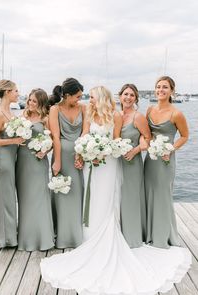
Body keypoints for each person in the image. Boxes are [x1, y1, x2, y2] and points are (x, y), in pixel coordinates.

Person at [40, 85, 191, 295]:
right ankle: (90, 235)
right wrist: (82, 152)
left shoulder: (116, 116)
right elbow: (84, 134)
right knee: (90, 198)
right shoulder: (88, 113)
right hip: (91, 163)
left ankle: (109, 232)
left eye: (92, 97)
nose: (89, 100)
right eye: (88, 97)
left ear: (101, 98)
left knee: (106, 197)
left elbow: (116, 140)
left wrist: (105, 151)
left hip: (108, 163)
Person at [144, 76, 189, 249]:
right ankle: (148, 232)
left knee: (162, 196)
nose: (160, 90)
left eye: (165, 87)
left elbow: (184, 136)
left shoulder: (176, 113)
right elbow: (146, 134)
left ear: (172, 91)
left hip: (165, 161)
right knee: (148, 193)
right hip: (150, 159)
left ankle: (162, 235)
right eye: (158, 87)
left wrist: (170, 149)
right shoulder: (149, 110)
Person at [16, 88, 55, 251]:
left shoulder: (46, 119)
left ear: (41, 103)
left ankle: (43, 237)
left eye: (35, 101)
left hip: (38, 162)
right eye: (30, 100)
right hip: (22, 161)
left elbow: (53, 140)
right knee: (25, 197)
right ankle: (26, 236)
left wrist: (44, 150)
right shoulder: (21, 117)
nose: (31, 103)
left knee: (40, 197)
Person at [0, 79, 25, 247]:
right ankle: (5, 238)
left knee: (9, 198)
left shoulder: (9, 111)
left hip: (11, 158)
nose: (18, 93)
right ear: (8, 92)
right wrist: (14, 141)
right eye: (16, 91)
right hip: (2, 159)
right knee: (4, 198)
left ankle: (10, 234)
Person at [49, 77, 85, 248]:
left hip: (78, 155)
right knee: (62, 193)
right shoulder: (55, 109)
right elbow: (55, 136)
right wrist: (57, 161)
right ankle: (61, 234)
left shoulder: (83, 108)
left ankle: (76, 233)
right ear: (67, 95)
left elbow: (85, 132)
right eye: (77, 96)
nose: (80, 99)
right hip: (61, 155)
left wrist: (81, 154)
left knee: (77, 192)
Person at [119, 84, 151, 248]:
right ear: (120, 96)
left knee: (130, 198)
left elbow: (147, 138)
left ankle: (132, 237)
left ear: (136, 99)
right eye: (126, 94)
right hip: (117, 163)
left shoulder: (138, 117)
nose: (128, 97)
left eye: (132, 95)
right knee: (118, 198)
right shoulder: (116, 115)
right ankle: (118, 234)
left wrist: (136, 149)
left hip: (132, 163)